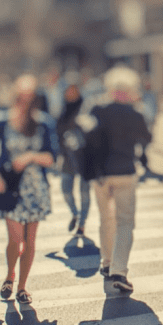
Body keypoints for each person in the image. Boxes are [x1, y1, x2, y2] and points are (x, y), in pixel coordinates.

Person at [0, 75, 58, 304]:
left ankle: (22, 286)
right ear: (15, 98)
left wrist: (31, 156)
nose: (25, 103)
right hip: (10, 188)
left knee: (30, 240)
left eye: (29, 99)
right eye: (21, 98)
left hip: (36, 189)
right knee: (15, 238)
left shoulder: (44, 123)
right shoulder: (3, 122)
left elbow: (52, 158)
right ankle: (10, 274)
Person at [86, 66, 152, 292]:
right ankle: (119, 270)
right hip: (125, 171)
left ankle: (106, 262)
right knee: (125, 222)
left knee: (106, 218)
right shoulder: (135, 113)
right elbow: (147, 138)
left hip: (100, 174)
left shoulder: (97, 108)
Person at [57, 72, 90, 236]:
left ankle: (82, 225)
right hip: (68, 158)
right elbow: (57, 134)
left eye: (73, 89)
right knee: (66, 190)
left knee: (84, 193)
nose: (70, 92)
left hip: (85, 158)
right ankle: (74, 213)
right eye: (67, 89)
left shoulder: (86, 108)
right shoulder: (62, 109)